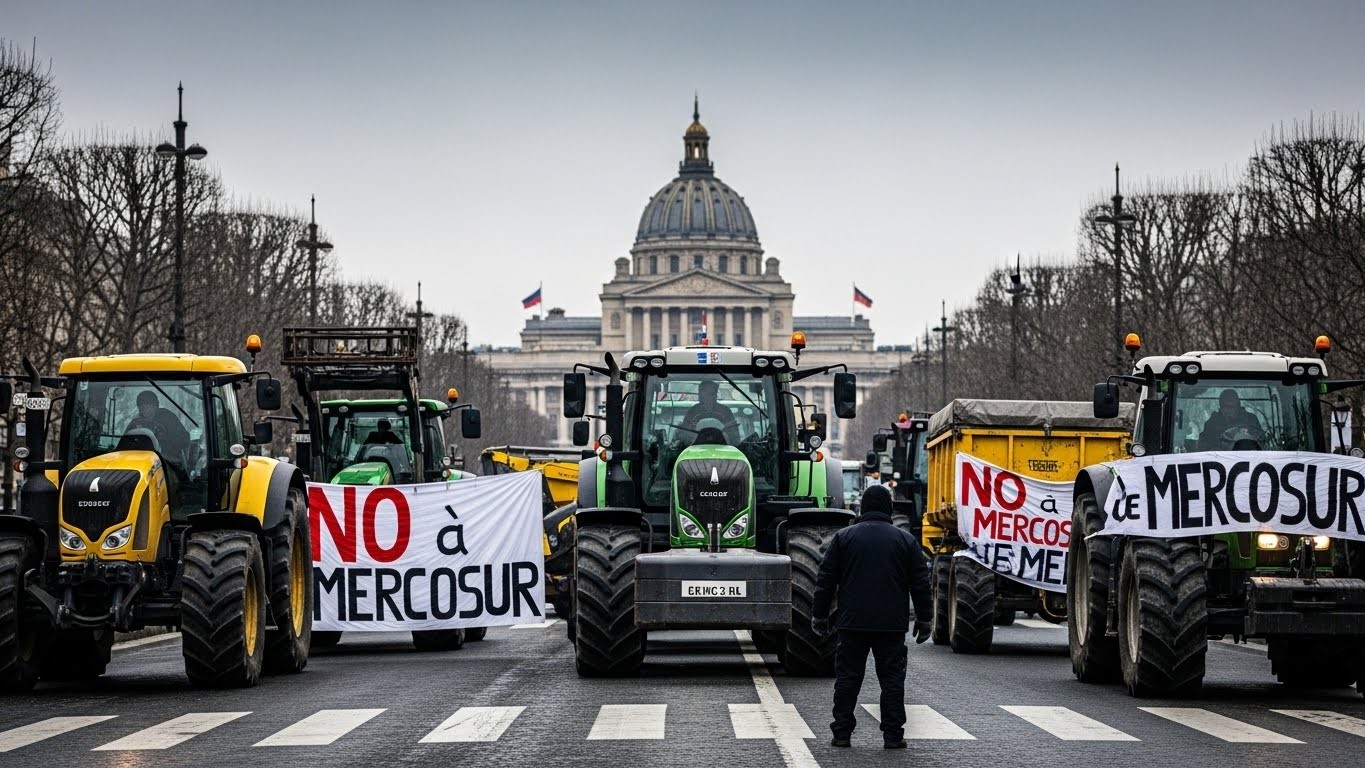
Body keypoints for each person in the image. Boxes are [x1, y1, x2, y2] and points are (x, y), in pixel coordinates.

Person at [811, 485, 932, 750]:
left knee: (847, 679)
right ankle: (892, 735)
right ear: (889, 508)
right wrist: (925, 619)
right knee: (891, 681)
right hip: (891, 625)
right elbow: (920, 584)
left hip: (851, 623)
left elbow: (825, 581)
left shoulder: (843, 538)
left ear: (862, 508)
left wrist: (819, 616)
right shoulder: (906, 541)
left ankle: (841, 734)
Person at [124, 390, 191, 462]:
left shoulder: (168, 418)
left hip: (167, 461)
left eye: (145, 407)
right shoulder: (135, 423)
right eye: (140, 408)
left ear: (155, 406)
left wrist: (164, 450)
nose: (142, 411)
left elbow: (184, 438)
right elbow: (125, 442)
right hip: (140, 460)